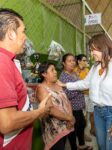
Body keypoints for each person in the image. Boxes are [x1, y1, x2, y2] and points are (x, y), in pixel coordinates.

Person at [58, 34, 112, 150]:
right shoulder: (95, 67)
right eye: (91, 50)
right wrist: (64, 84)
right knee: (102, 145)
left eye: (94, 49)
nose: (92, 53)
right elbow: (85, 83)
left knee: (111, 147)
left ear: (103, 47)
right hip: (98, 112)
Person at [0, 8, 52, 149]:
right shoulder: (2, 62)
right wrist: (39, 112)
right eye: (23, 31)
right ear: (11, 34)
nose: (25, 38)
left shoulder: (8, 61)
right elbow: (7, 123)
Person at [36, 61, 75, 150]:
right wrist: (69, 118)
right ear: (44, 74)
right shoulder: (41, 88)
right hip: (53, 129)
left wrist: (71, 116)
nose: (55, 72)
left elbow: (67, 101)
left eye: (55, 70)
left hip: (65, 124)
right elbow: (51, 110)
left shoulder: (57, 84)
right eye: (52, 70)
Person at [59, 53, 92, 150]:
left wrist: (78, 87)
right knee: (73, 129)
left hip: (79, 107)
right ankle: (74, 147)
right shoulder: (63, 77)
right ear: (63, 63)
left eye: (73, 60)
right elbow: (66, 95)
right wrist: (80, 89)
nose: (72, 63)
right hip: (72, 108)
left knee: (81, 125)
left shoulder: (74, 73)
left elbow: (79, 85)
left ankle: (81, 145)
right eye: (69, 61)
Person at [74, 54, 95, 137]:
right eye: (84, 60)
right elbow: (76, 83)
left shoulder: (88, 70)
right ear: (79, 61)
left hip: (90, 94)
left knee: (92, 113)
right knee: (83, 116)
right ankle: (83, 134)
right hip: (82, 96)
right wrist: (79, 70)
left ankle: (93, 129)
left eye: (86, 60)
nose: (86, 62)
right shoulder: (75, 71)